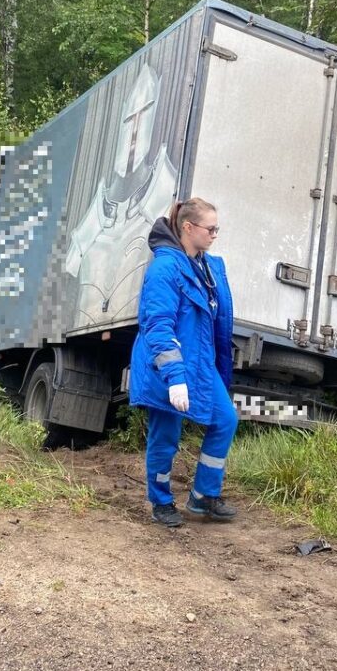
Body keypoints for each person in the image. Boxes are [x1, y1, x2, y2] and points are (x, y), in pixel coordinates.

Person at [129, 197, 238, 528]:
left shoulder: (207, 267)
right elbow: (158, 327)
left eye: (217, 228)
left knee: (226, 420)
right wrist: (175, 376)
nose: (215, 234)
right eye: (211, 228)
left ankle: (203, 496)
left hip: (201, 367)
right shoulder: (165, 268)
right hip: (170, 368)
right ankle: (161, 501)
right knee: (166, 437)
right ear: (188, 228)